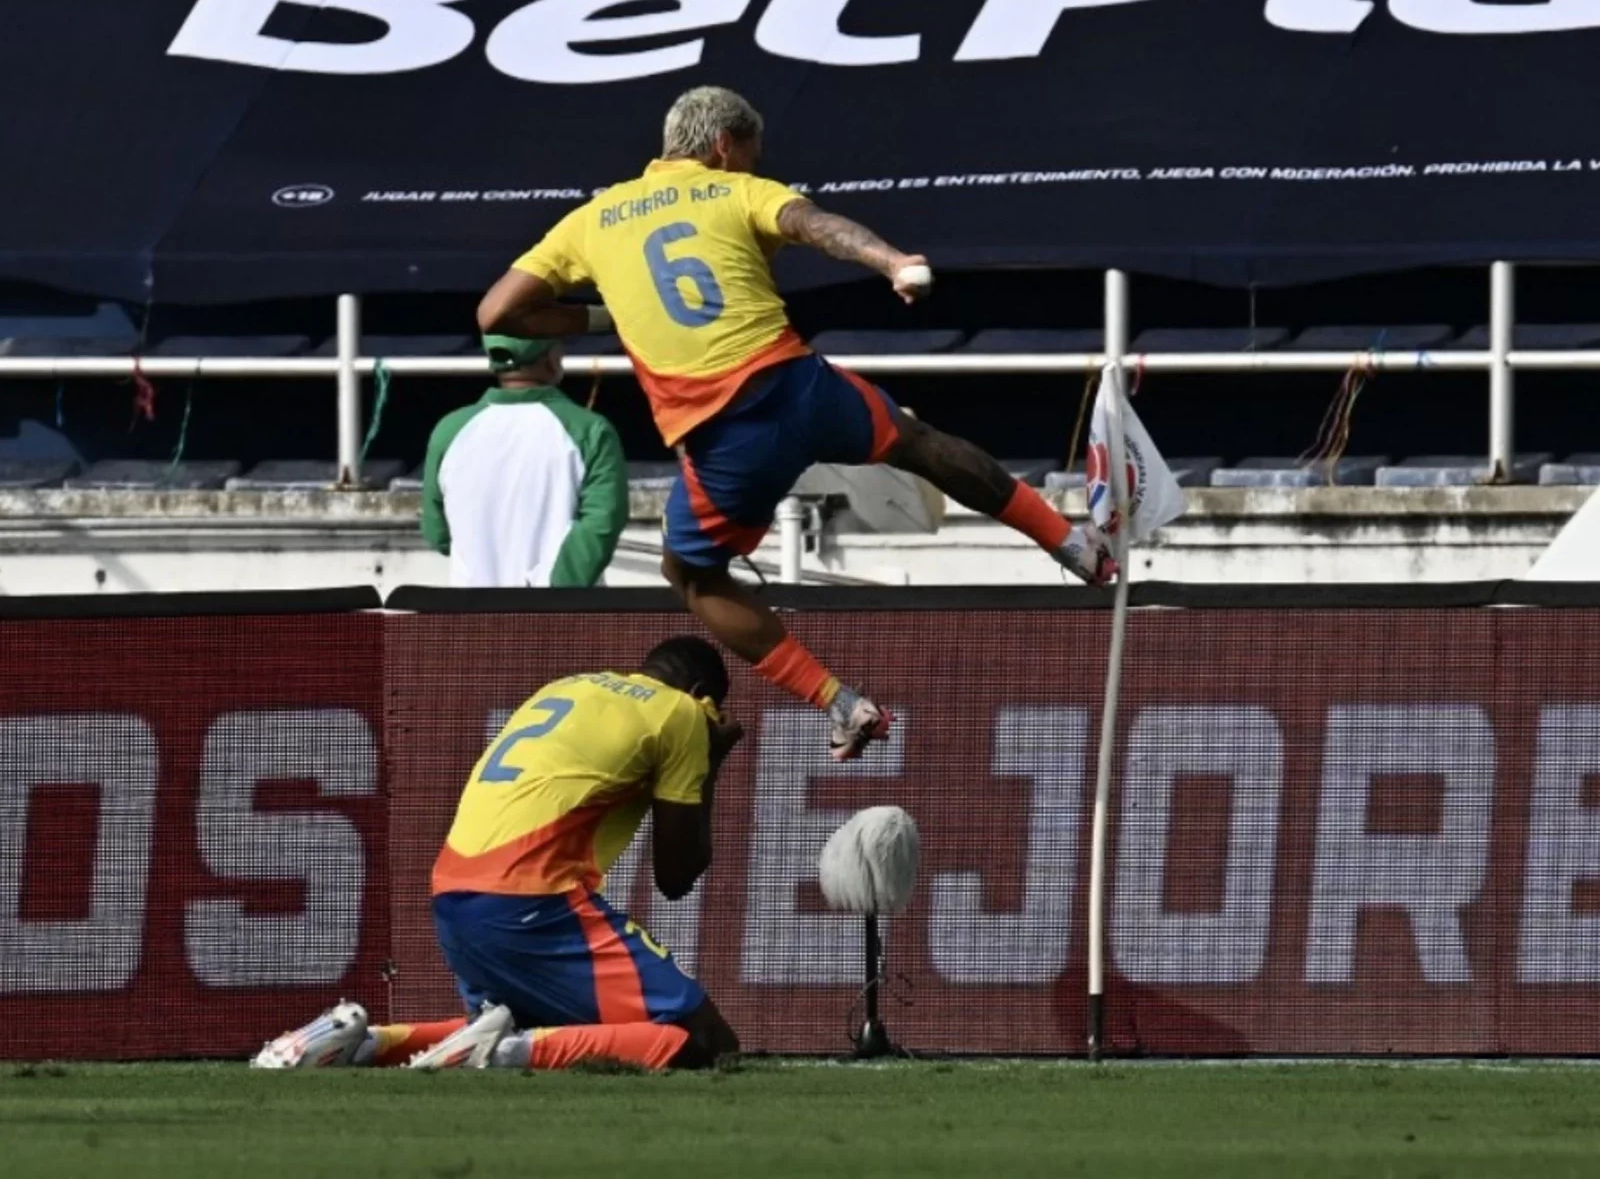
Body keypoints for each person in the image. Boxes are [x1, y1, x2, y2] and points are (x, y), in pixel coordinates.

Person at [476, 86, 1116, 762]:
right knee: (918, 443)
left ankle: (841, 703)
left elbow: (496, 314)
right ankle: (1072, 544)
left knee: (690, 575)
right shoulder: (735, 191)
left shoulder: (591, 220)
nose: (754, 165)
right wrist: (892, 262)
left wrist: (599, 318)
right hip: (802, 387)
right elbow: (817, 225)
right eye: (752, 155)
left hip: (725, 436)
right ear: (724, 146)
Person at [252, 636, 743, 1072]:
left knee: (538, 1022)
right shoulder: (679, 712)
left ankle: (360, 1041)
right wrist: (712, 757)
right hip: (534, 902)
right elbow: (676, 875)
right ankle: (505, 1054)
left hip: (453, 897)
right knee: (707, 1041)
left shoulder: (567, 686)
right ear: (700, 693)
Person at [421, 334, 628, 587]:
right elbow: (602, 524)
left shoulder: (449, 430)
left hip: (470, 609)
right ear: (551, 358)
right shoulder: (591, 429)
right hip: (561, 609)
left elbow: (438, 535)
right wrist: (552, 594)